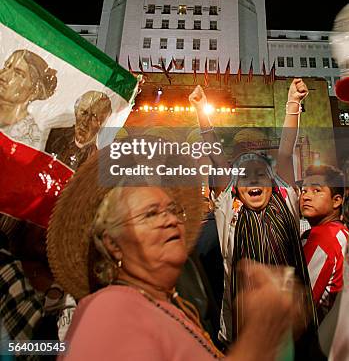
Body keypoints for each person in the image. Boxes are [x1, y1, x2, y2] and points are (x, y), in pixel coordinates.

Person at [47, 151, 295, 361]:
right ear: (113, 243)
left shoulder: (173, 303)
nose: (170, 220)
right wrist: (260, 335)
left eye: (173, 209)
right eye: (151, 214)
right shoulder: (108, 310)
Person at [189, 80, 320, 358]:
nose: (253, 180)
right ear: (234, 187)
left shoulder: (287, 199)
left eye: (260, 174)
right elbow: (214, 152)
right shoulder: (229, 209)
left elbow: (285, 150)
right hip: (241, 337)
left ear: (273, 181)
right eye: (245, 176)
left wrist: (293, 103)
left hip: (292, 336)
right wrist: (201, 108)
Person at [300, 164, 348, 323]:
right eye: (304, 191)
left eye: (316, 190)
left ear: (336, 201)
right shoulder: (341, 233)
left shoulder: (324, 237)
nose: (306, 196)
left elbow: (300, 307)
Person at [0, 49, 57, 148]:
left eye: (18, 74)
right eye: (6, 67)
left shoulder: (29, 139)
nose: (3, 76)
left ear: (34, 90)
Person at [45, 90, 112, 170]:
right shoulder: (55, 135)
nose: (85, 122)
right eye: (84, 112)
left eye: (94, 117)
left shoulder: (95, 160)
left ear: (102, 124)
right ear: (76, 112)